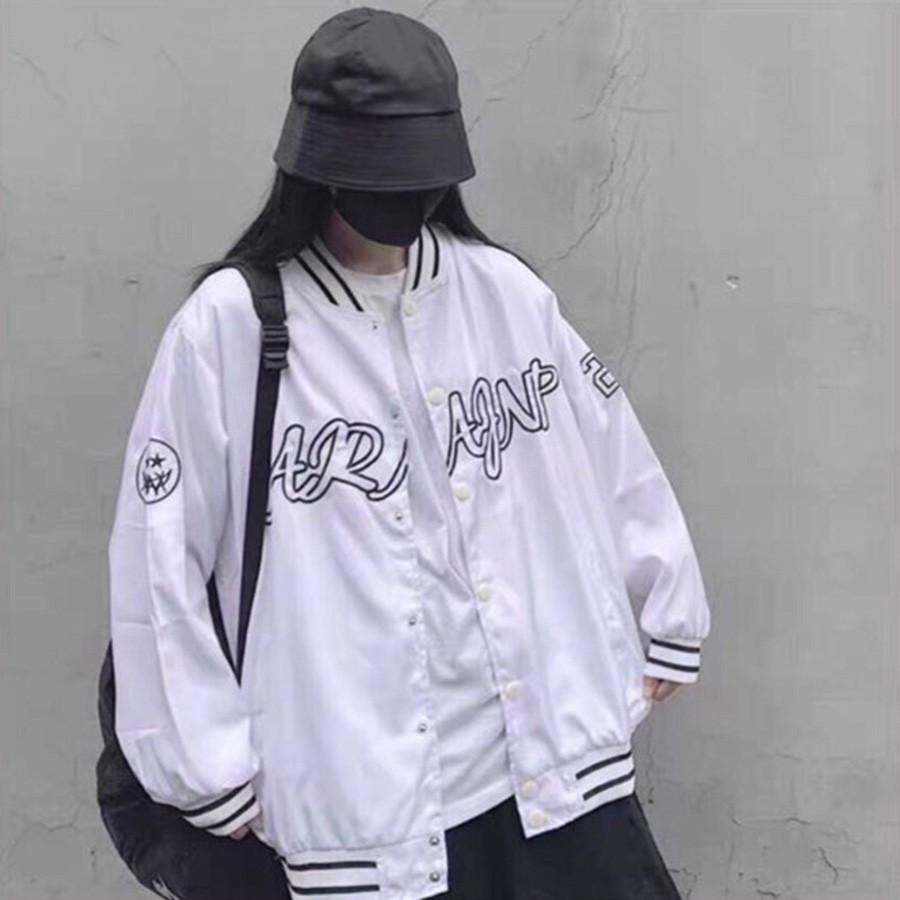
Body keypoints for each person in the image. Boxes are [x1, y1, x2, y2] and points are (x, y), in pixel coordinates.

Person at [107, 6, 711, 899]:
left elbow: (608, 444)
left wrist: (668, 606)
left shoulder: (502, 294)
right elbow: (159, 559)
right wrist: (207, 766)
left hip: (550, 768)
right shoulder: (230, 329)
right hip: (362, 799)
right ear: (316, 165)